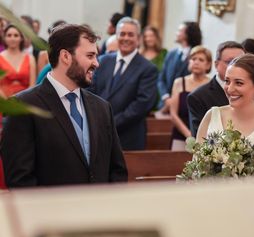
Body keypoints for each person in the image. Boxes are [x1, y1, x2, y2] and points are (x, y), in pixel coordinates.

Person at [0, 24, 128, 187]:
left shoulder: (102, 108)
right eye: (90, 56)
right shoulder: (22, 106)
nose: (97, 63)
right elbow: (20, 181)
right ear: (66, 56)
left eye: (96, 56)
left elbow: (117, 170)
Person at [197, 54, 254, 175]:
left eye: (239, 83)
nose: (229, 89)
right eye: (227, 81)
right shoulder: (211, 115)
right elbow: (197, 165)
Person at [90, 17, 158, 150]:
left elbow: (142, 104)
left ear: (138, 38)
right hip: (97, 133)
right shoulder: (102, 61)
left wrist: (110, 123)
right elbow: (90, 91)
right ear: (116, 36)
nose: (126, 38)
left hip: (128, 137)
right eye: (122, 34)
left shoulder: (148, 69)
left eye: (131, 34)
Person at [187, 41, 244, 136]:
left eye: (241, 62)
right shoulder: (198, 97)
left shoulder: (252, 90)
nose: (236, 67)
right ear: (216, 64)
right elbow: (201, 139)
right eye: (229, 62)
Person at [170, 46, 211, 150]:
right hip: (180, 136)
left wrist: (200, 136)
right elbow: (173, 114)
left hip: (207, 138)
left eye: (201, 60)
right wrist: (189, 135)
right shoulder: (179, 82)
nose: (196, 62)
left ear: (208, 65)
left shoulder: (211, 84)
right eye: (193, 59)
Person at [158, 21, 202, 113]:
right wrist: (166, 97)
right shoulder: (171, 54)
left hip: (185, 106)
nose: (176, 33)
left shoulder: (197, 56)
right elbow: (161, 80)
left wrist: (175, 101)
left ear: (187, 34)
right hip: (165, 104)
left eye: (179, 31)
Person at [0, 24, 36, 97]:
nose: (12, 38)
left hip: (26, 101)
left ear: (21, 38)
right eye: (9, 35)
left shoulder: (30, 58)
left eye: (16, 35)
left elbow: (32, 86)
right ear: (4, 38)